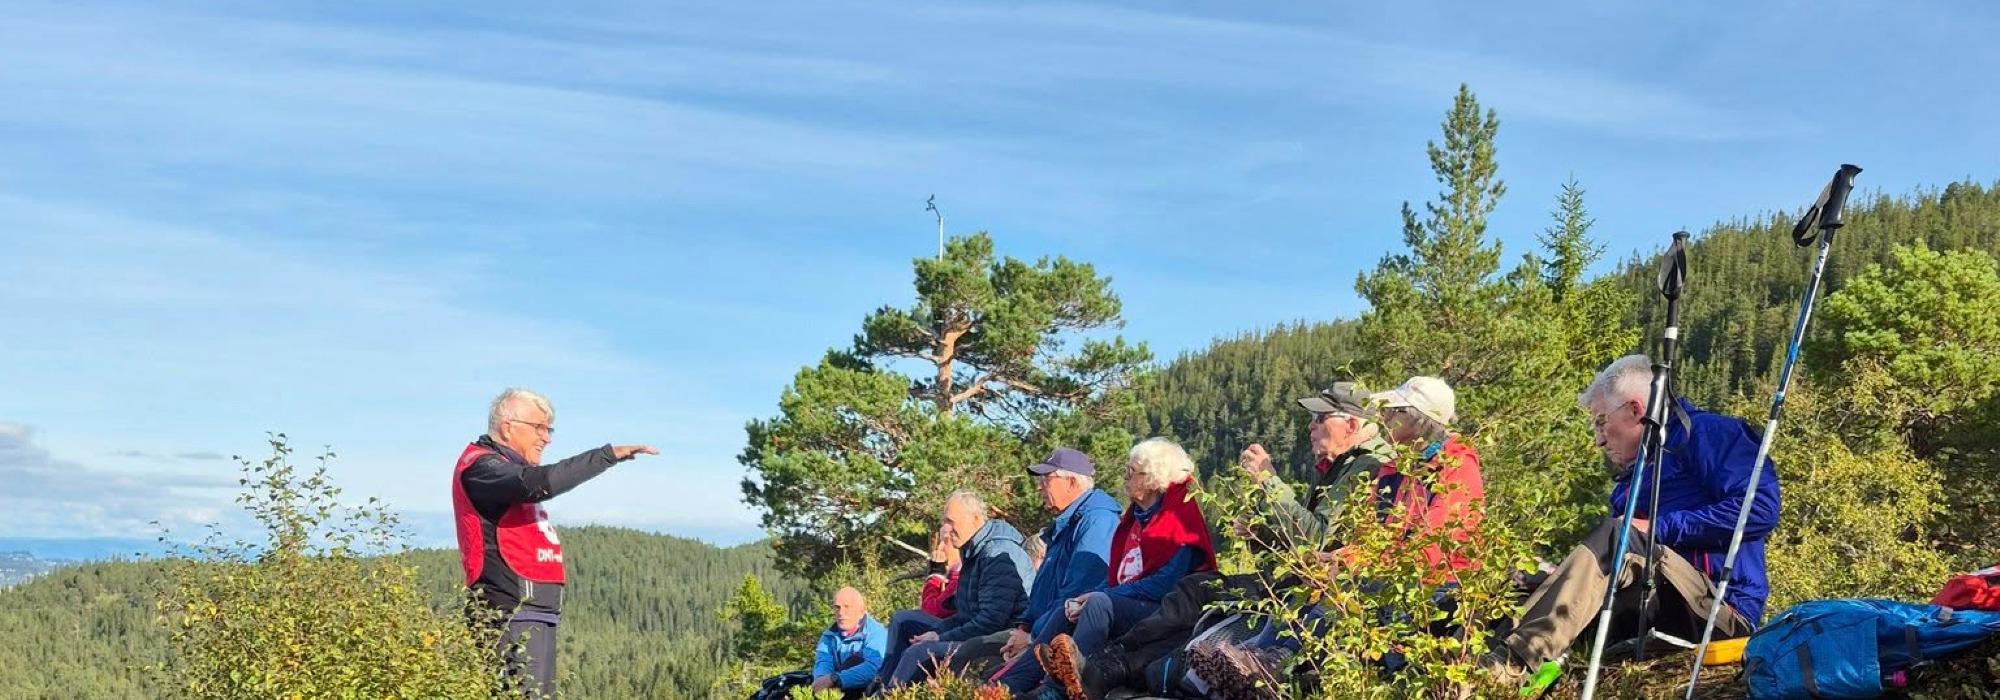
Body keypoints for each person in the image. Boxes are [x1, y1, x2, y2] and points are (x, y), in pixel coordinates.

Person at [1070, 382, 1395, 699]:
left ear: (1351, 423)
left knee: (1196, 598)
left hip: (1321, 591)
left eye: (1320, 418)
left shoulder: (1367, 467)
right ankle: (1109, 665)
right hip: (1299, 582)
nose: (1311, 426)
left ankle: (1110, 666)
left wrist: (1268, 479)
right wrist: (1260, 535)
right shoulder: (1340, 467)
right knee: (1198, 591)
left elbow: (1316, 539)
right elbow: (1298, 548)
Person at [1484, 355, 1781, 681]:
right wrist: (1564, 575)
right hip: (1649, 599)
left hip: (1719, 609)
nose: (1598, 439)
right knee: (1516, 586)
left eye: (1600, 422)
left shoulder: (1708, 434)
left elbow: (1760, 509)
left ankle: (1506, 670)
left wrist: (1657, 528)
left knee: (1618, 536)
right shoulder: (1634, 477)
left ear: (1636, 410)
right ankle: (1458, 669)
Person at [1193, 375, 1485, 700]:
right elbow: (1370, 537)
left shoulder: (1454, 465)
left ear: (1418, 418)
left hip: (1434, 584)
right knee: (1318, 582)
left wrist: (1347, 562)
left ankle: (1272, 665)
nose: (1384, 416)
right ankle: (1250, 658)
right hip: (1391, 574)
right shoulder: (1393, 470)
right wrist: (1340, 559)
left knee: (1339, 588)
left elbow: (1434, 547)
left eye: (1393, 410)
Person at [450, 388, 656, 698]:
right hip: (510, 612)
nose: (547, 438)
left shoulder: (506, 467)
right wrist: (606, 455)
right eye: (539, 428)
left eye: (549, 429)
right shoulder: (482, 468)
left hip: (535, 612)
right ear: (508, 426)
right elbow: (538, 484)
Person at [1021, 438, 1217, 700]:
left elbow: (1164, 585)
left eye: (1131, 472)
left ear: (1152, 478)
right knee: (1070, 608)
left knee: (1099, 604)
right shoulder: (1136, 518)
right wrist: (1087, 596)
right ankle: (1026, 680)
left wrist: (1102, 596)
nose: (1125, 477)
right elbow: (1117, 575)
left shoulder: (1179, 518)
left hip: (1164, 612)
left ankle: (1063, 689)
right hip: (1134, 603)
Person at [941, 449, 1121, 684]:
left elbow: (1076, 593)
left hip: (1061, 636)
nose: (1039, 487)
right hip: (1039, 629)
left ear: (1072, 482)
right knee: (970, 654)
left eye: (1046, 479)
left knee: (984, 669)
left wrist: (1033, 636)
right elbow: (1043, 590)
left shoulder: (1097, 522)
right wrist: (1024, 628)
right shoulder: (1068, 523)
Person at [878, 491, 1034, 689]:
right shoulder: (973, 552)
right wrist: (936, 633)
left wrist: (940, 637)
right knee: (903, 621)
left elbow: (991, 622)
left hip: (1001, 639)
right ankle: (879, 686)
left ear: (976, 519)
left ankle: (891, 694)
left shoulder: (996, 554)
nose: (945, 529)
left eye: (951, 522)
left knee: (917, 653)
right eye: (944, 521)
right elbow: (964, 615)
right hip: (980, 631)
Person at [813, 587, 888, 699]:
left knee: (855, 661)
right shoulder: (829, 637)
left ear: (861, 612)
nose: (841, 612)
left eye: (847, 607)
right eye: (837, 607)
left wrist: (836, 679)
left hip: (868, 690)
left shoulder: (876, 633)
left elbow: (874, 668)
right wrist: (822, 680)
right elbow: (823, 663)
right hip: (837, 689)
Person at [920, 524, 963, 619]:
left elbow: (930, 612)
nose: (940, 548)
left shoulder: (961, 577)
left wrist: (935, 575)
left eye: (946, 541)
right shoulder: (953, 576)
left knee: (901, 618)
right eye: (940, 542)